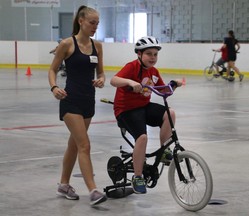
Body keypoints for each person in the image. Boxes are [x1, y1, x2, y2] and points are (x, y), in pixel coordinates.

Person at [48, 5, 107, 206]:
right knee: (84, 144)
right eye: (92, 23)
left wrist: (101, 79)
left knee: (74, 145)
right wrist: (54, 87)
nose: (95, 27)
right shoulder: (67, 44)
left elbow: (101, 72)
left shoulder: (97, 46)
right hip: (70, 101)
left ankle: (63, 184)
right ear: (81, 21)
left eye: (97, 24)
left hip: (88, 101)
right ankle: (93, 190)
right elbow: (52, 70)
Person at [110, 36, 182, 194]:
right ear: (139, 54)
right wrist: (129, 82)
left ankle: (164, 151)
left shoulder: (153, 72)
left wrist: (173, 85)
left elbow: (163, 91)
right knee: (142, 137)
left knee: (170, 113)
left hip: (143, 106)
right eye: (149, 53)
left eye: (155, 54)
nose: (153, 57)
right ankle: (137, 176)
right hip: (125, 109)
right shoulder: (131, 67)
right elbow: (114, 80)